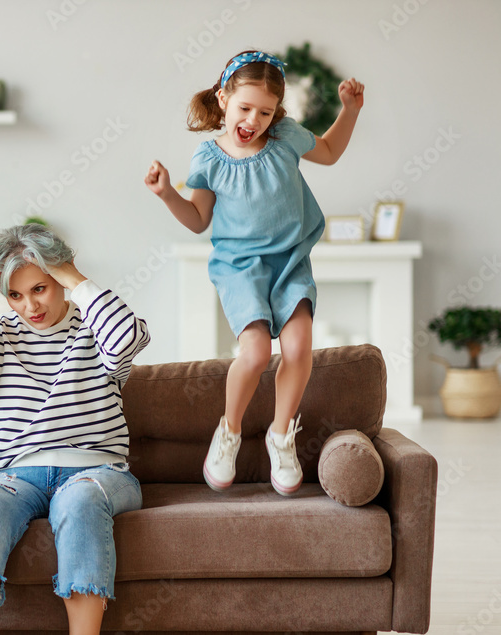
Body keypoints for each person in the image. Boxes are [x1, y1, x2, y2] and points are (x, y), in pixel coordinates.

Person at [144, 50, 364, 495]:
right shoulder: (208, 157)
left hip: (289, 260)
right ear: (223, 98)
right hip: (240, 267)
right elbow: (198, 220)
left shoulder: (284, 136)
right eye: (245, 108)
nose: (254, 119)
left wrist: (350, 111)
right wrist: (168, 193)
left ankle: (281, 437)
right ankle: (228, 431)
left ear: (277, 113)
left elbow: (330, 151)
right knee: (257, 352)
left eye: (265, 112)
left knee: (300, 346)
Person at [0, 224, 150, 635]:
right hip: (10, 475)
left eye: (40, 288)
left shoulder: (96, 329)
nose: (30, 306)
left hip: (97, 472)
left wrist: (75, 277)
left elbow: (125, 338)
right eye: (15, 294)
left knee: (79, 500)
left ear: (60, 279)